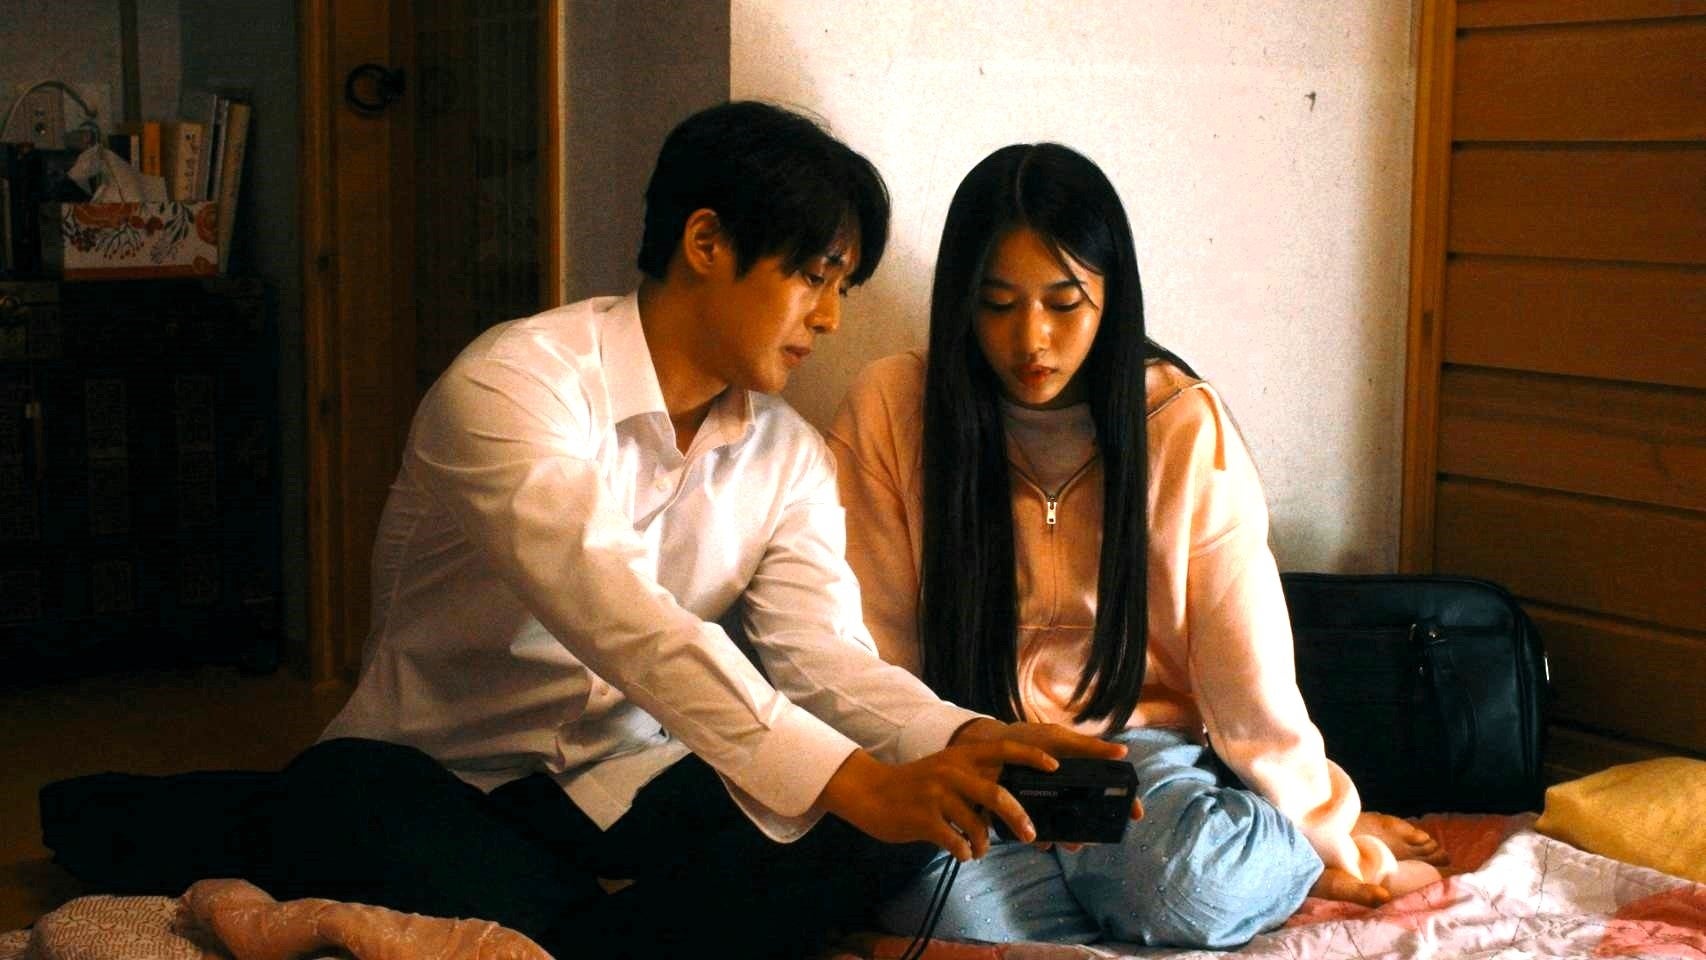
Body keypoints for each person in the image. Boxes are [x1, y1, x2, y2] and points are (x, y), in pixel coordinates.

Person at [42, 105, 1125, 960]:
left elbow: (823, 658)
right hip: (435, 769)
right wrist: (846, 777)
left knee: (874, 839)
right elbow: (624, 620)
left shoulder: (786, 453)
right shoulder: (512, 384)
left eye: (841, 286)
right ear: (706, 241)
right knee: (354, 818)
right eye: (811, 276)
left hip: (620, 774)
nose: (831, 318)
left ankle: (574, 932)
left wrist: (957, 738)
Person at [827, 142, 1447, 949]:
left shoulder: (1178, 422)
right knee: (940, 910)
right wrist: (937, 754)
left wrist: (1328, 829)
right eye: (998, 304)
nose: (1031, 339)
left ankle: (1267, 858)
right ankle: (1141, 882)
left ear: (1112, 296)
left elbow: (1246, 673)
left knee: (1184, 886)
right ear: (959, 303)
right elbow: (872, 646)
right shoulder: (892, 408)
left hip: (1134, 757)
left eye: (1065, 303)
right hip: (973, 752)